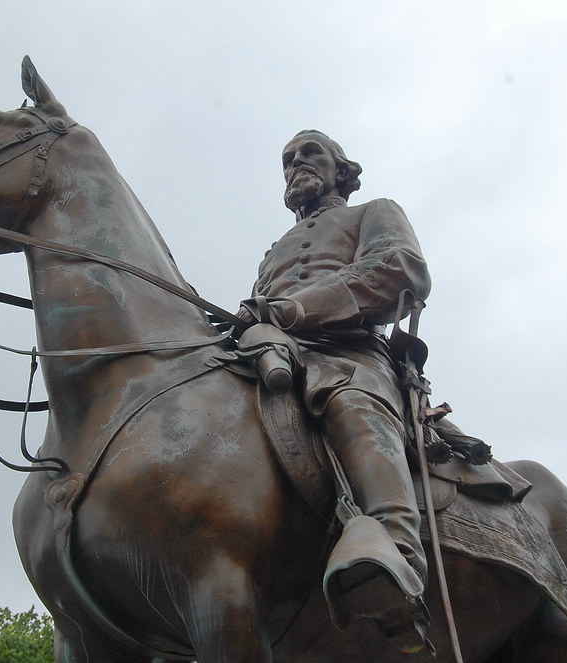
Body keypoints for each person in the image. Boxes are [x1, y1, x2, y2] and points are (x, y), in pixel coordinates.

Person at [237, 130, 431, 653]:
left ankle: (397, 555)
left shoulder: (372, 212)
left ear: (340, 171)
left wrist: (297, 309)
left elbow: (399, 270)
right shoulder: (272, 252)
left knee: (349, 400)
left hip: (346, 351)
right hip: (269, 350)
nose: (296, 163)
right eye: (287, 159)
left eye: (310, 153)